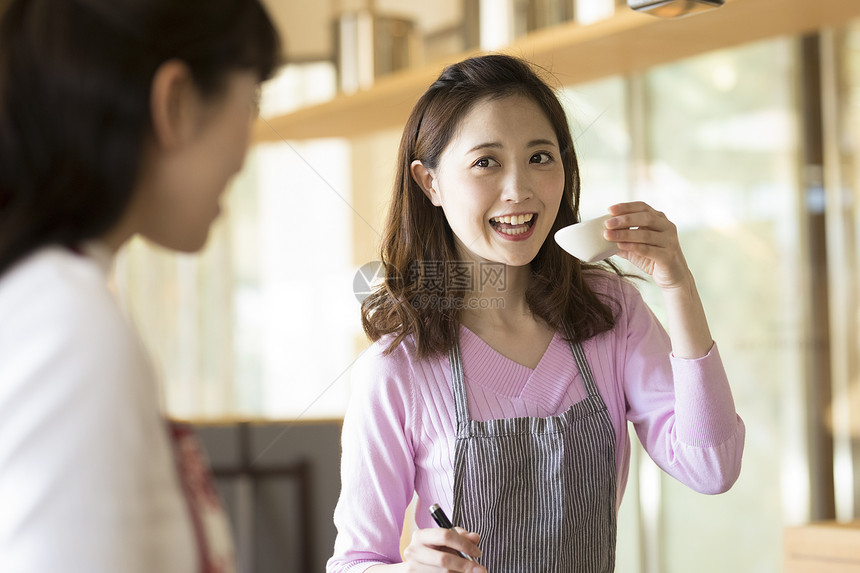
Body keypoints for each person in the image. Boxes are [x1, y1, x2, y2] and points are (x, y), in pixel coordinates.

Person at [327, 54, 745, 573]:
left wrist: (678, 285)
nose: (519, 190)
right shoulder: (397, 368)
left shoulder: (611, 313)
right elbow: (355, 562)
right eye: (486, 162)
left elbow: (713, 467)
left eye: (540, 157)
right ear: (429, 182)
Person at [0, 1, 280, 572]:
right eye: (249, 101)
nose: (248, 147)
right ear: (175, 101)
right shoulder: (67, 328)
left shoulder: (51, 300)